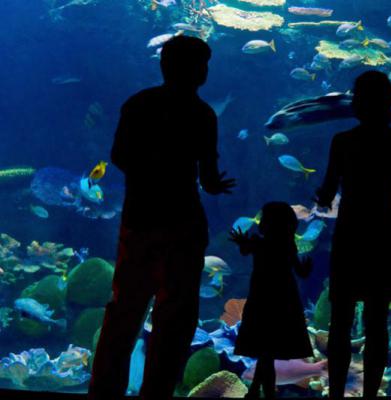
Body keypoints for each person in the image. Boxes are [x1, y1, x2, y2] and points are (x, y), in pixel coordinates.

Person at [88, 36, 235, 400]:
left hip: (140, 216)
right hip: (184, 220)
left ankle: (104, 390)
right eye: (202, 65)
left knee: (124, 308)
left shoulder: (138, 104)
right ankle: (157, 393)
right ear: (198, 70)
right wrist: (215, 187)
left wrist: (149, 171)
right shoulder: (202, 114)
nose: (204, 71)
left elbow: (120, 156)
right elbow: (208, 178)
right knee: (176, 313)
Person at [314, 70, 391, 398]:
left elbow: (328, 192)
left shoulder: (343, 142)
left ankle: (338, 395)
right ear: (389, 104)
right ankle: (370, 395)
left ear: (357, 103)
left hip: (352, 229)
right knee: (377, 320)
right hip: (384, 227)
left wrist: (322, 198)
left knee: (340, 319)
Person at [229, 202, 314, 399]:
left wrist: (241, 241)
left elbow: (245, 250)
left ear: (268, 223)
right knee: (269, 353)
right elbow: (300, 271)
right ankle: (259, 391)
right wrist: (306, 268)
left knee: (265, 353)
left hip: (262, 299)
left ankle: (260, 392)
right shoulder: (288, 243)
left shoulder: (260, 242)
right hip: (284, 301)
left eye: (264, 218)